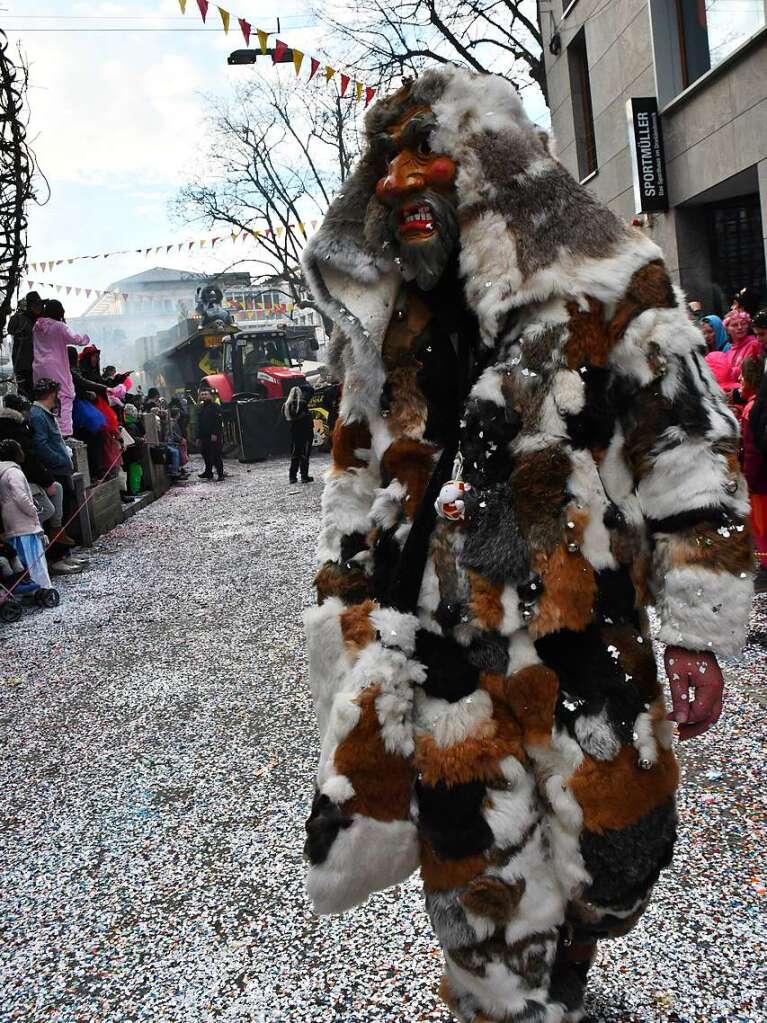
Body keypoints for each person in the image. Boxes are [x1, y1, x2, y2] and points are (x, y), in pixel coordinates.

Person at [299, 68, 753, 1023]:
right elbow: (353, 484)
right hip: (444, 664)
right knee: (474, 886)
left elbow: (681, 447)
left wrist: (698, 629)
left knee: (616, 860)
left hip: (586, 643)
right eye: (386, 165)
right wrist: (349, 633)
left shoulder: (607, 282)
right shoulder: (378, 330)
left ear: (486, 173)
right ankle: (510, 999)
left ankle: (574, 955)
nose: (397, 185)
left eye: (424, 159)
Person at [0, 393, 73, 547]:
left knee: (56, 492)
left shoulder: (18, 426)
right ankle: (33, 535)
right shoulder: (16, 429)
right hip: (22, 478)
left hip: (26, 476)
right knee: (47, 508)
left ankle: (56, 531)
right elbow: (29, 459)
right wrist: (46, 480)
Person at [0, 438, 54, 591]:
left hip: (11, 524)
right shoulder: (14, 472)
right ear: (15, 454)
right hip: (25, 524)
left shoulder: (3, 473)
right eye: (20, 450)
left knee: (20, 560)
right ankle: (41, 588)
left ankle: (27, 588)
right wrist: (33, 510)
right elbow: (20, 496)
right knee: (34, 559)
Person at [32, 299, 90, 437]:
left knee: (44, 400)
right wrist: (85, 338)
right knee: (64, 397)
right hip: (56, 368)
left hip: (39, 369)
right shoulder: (59, 326)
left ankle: (46, 432)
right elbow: (76, 339)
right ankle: (64, 434)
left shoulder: (37, 326)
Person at [741, 357, 767, 593]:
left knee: (761, 526)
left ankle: (766, 569)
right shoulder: (753, 405)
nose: (739, 381)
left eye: (741, 377)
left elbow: (751, 451)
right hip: (761, 479)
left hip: (758, 482)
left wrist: (747, 478)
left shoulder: (752, 409)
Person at [708, 309, 762, 394]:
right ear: (727, 329)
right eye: (734, 325)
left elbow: (749, 372)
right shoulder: (729, 350)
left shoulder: (754, 344)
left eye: (743, 324)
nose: (740, 327)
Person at [7, 291, 43, 397]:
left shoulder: (42, 320)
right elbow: (11, 330)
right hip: (23, 363)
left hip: (40, 363)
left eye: (40, 305)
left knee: (38, 393)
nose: (39, 307)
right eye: (36, 305)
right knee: (25, 394)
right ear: (30, 306)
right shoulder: (19, 318)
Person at [283, 385, 315, 484]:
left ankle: (292, 476)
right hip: (306, 431)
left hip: (294, 432)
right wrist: (300, 386)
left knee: (295, 454)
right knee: (304, 454)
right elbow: (310, 390)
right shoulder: (303, 403)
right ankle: (304, 476)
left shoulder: (286, 405)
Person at [196, 387, 224, 481]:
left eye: (205, 394)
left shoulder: (214, 406)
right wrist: (198, 437)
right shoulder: (201, 408)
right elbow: (200, 423)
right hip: (204, 436)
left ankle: (220, 474)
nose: (203, 396)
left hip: (213, 435)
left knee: (216, 454)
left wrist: (215, 433)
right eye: (202, 394)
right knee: (205, 454)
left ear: (210, 395)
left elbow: (217, 421)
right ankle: (208, 472)